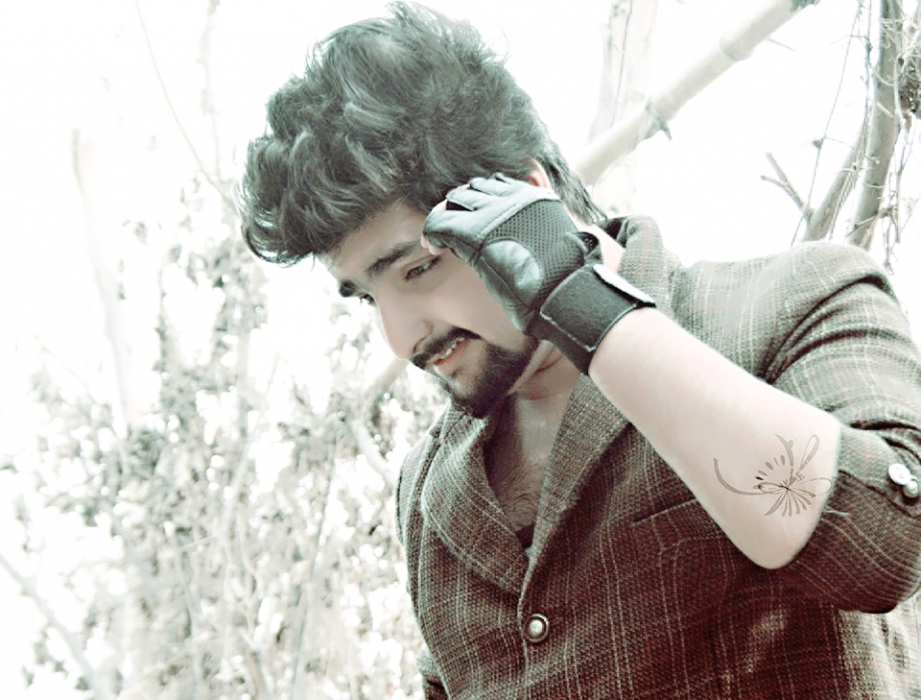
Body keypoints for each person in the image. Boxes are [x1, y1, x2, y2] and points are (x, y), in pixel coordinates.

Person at [240, 3, 921, 697]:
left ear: (526, 201)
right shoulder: (430, 485)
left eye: (418, 269)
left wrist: (583, 305)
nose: (400, 336)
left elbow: (887, 545)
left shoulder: (793, 300)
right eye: (366, 296)